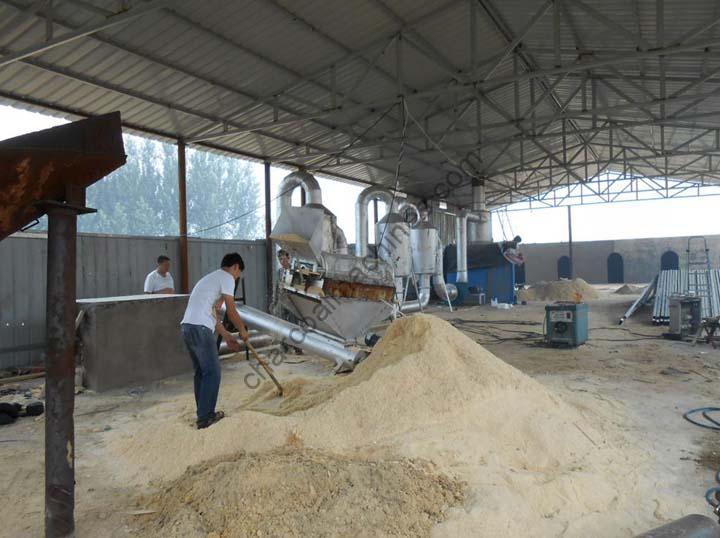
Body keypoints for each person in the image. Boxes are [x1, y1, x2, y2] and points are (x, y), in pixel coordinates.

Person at [180, 253, 250, 429]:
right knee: (212, 372)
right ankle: (206, 417)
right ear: (234, 267)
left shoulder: (210, 279)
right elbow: (231, 310)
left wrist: (226, 334)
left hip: (187, 327)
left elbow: (211, 313)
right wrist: (242, 330)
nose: (236, 277)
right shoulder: (227, 277)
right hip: (201, 328)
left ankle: (202, 413)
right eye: (238, 273)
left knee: (201, 373)